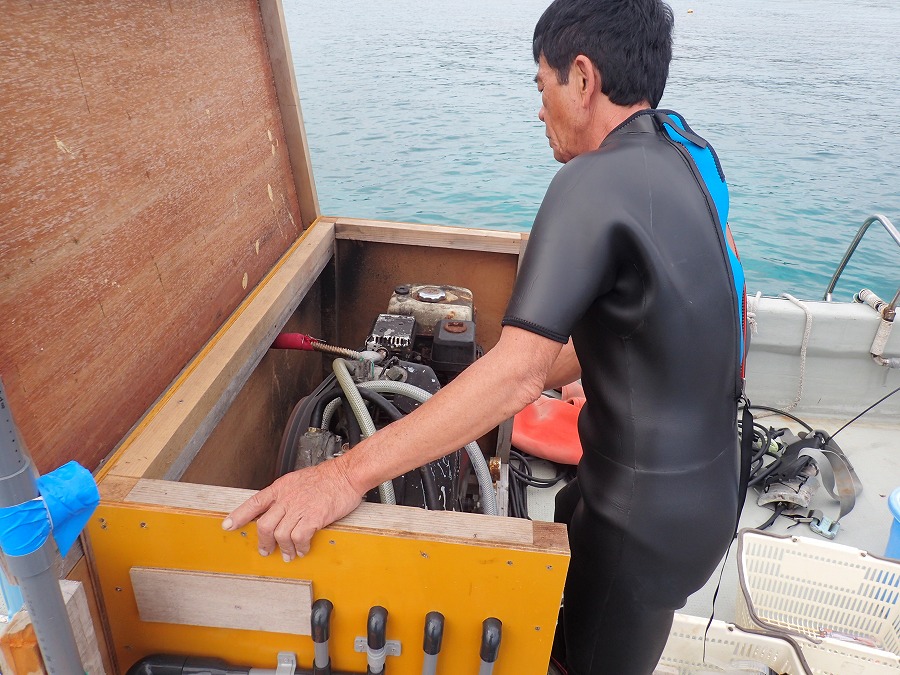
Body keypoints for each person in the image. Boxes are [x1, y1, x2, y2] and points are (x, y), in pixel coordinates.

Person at [223, 0, 746, 673]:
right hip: (710, 489)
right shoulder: (690, 153)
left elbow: (518, 373)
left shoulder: (590, 183)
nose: (540, 111)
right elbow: (672, 310)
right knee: (575, 540)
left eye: (542, 85)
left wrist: (340, 474)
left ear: (582, 80)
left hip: (642, 521)